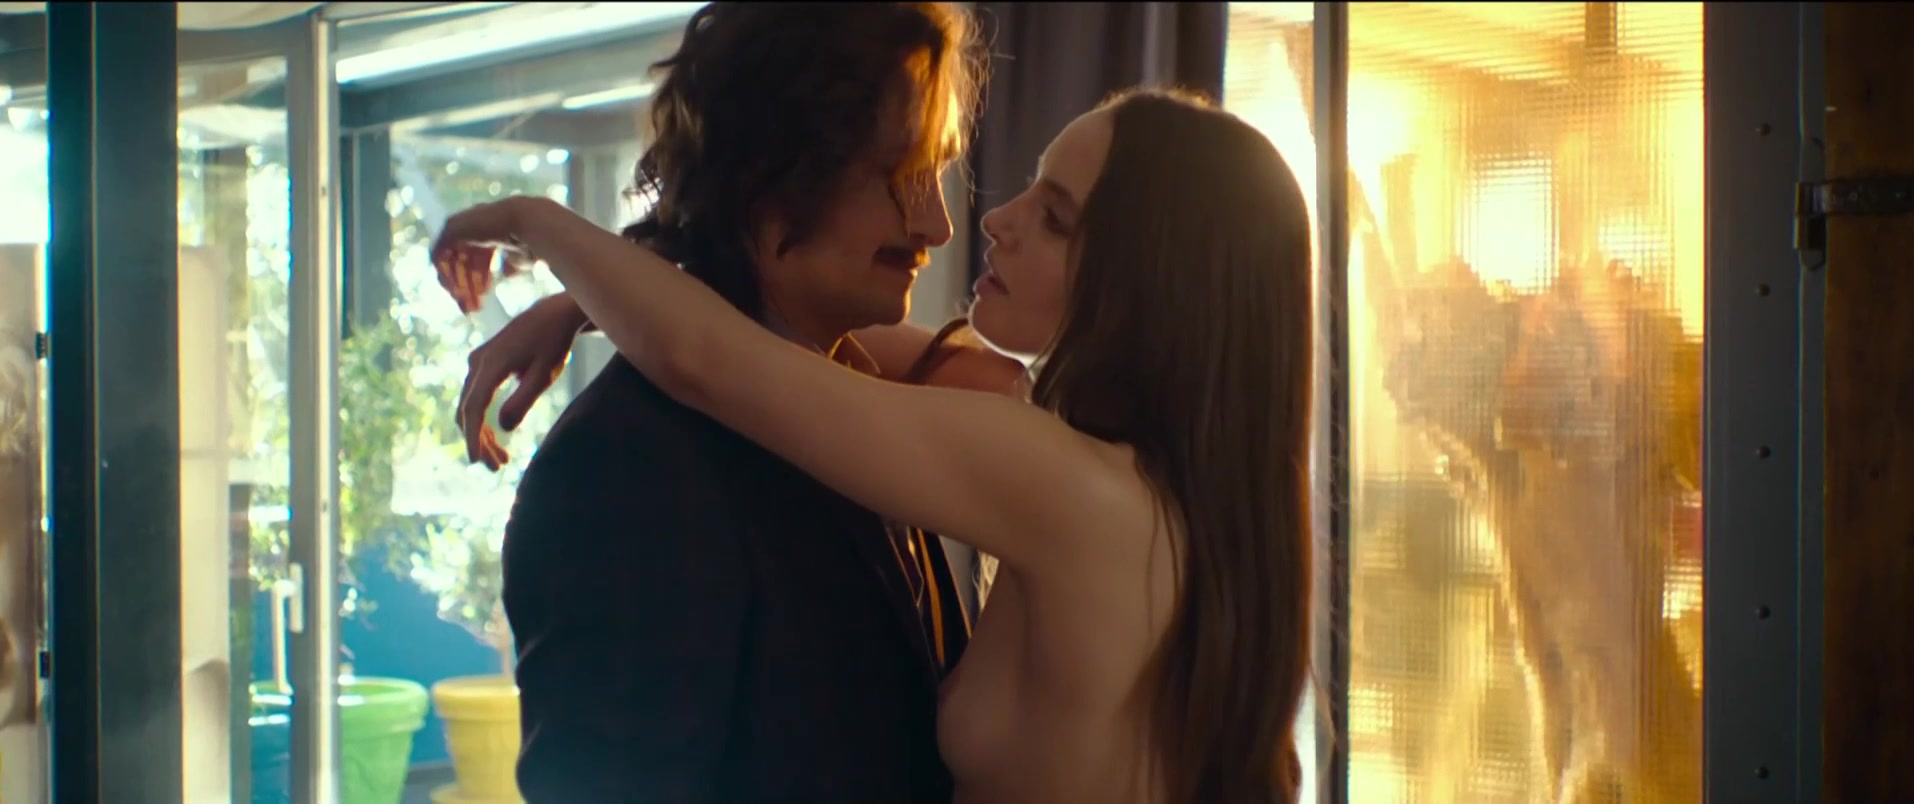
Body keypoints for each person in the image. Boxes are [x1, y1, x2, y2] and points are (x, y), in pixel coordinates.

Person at [439, 85, 1316, 802]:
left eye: (1054, 218)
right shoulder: (1148, 489)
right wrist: (586, 305)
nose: (992, 219)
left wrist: (531, 222)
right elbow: (799, 334)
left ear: (1149, 280)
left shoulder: (1065, 482)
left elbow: (714, 358)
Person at [464, 4, 987, 801]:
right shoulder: (628, 468)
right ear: (768, 172)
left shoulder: (862, 403)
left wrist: (588, 296)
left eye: (935, 174)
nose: (937, 224)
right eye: (898, 172)